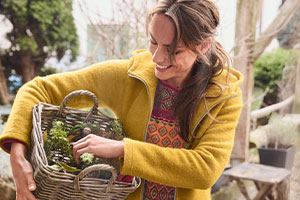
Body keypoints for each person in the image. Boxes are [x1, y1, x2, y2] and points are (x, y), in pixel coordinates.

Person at [0, 0, 243, 199]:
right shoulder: (128, 77)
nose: (158, 57)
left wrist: (122, 149)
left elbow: (205, 169)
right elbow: (37, 89)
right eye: (153, 41)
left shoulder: (224, 96)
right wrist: (17, 156)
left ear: (203, 45)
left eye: (173, 50)